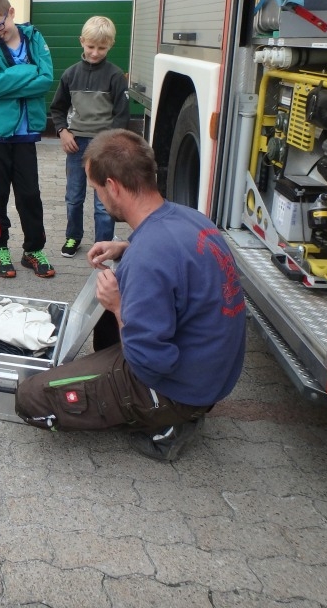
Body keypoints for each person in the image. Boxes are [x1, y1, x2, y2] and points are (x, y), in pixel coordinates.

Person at [15, 130, 247, 462]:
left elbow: (151, 365)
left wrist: (119, 306)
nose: (99, 197)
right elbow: (174, 261)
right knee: (120, 289)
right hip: (211, 374)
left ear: (113, 186)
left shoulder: (149, 257)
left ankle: (168, 422)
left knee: (31, 398)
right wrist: (126, 247)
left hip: (178, 389)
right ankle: (163, 405)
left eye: (96, 189)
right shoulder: (189, 218)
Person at [0, 0, 56, 279]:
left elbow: (46, 78)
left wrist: (20, 77)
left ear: (11, 13)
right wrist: (28, 71)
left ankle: (33, 250)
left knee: (29, 193)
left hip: (25, 133)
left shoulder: (34, 37)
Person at [49, 15, 130, 259]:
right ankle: (73, 236)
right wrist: (63, 131)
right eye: (91, 46)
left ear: (111, 45)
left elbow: (122, 115)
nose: (95, 53)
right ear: (82, 42)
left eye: (102, 48)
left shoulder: (115, 76)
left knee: (103, 202)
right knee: (74, 196)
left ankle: (103, 244)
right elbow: (57, 109)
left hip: (103, 147)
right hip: (76, 147)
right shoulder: (70, 74)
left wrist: (111, 143)